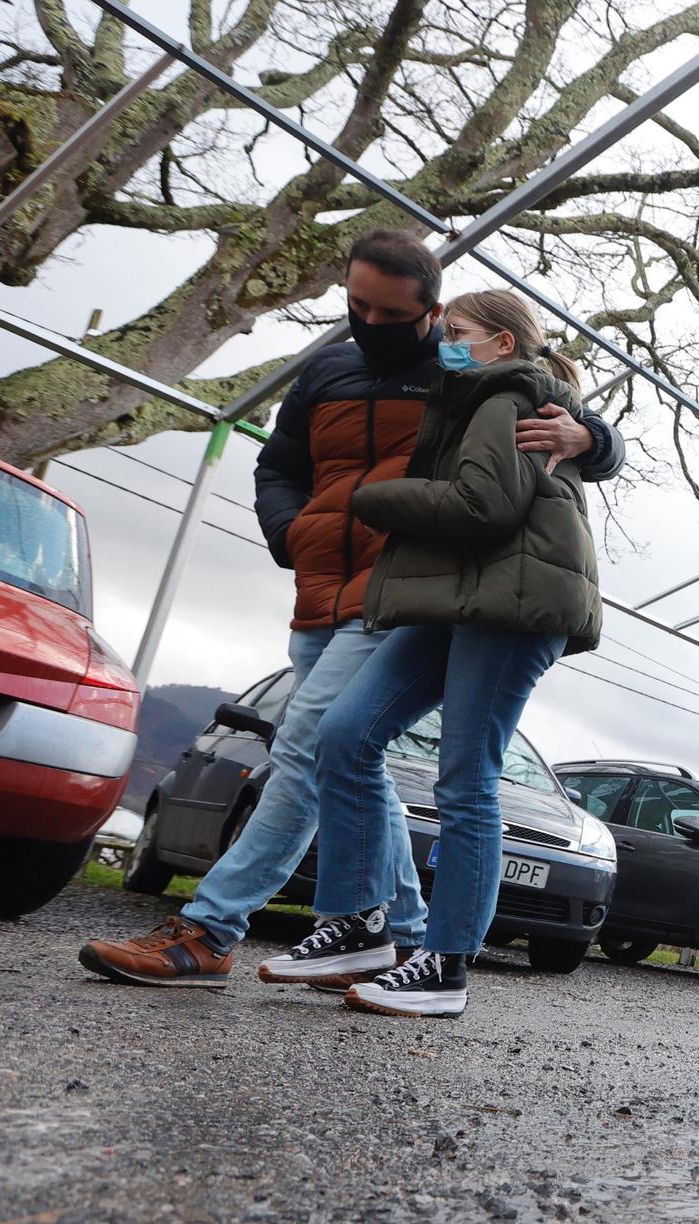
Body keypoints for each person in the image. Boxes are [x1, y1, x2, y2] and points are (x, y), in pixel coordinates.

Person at [79, 232, 624, 989]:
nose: (369, 319)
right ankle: (393, 933)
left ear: (430, 314)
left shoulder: (461, 370)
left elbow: (540, 410)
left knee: (310, 743)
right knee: (348, 755)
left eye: (389, 311)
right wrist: (289, 531)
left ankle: (210, 928)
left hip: (403, 593)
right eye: (356, 304)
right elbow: (280, 464)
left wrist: (595, 436)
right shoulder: (325, 368)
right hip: (320, 590)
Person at [256, 288, 604, 1019]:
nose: (446, 341)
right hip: (457, 595)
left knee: (466, 779)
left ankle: (445, 965)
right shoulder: (472, 397)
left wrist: (373, 496)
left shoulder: (508, 398)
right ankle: (358, 921)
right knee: (345, 733)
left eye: (460, 331)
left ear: (503, 343)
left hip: (513, 603)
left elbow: (485, 507)